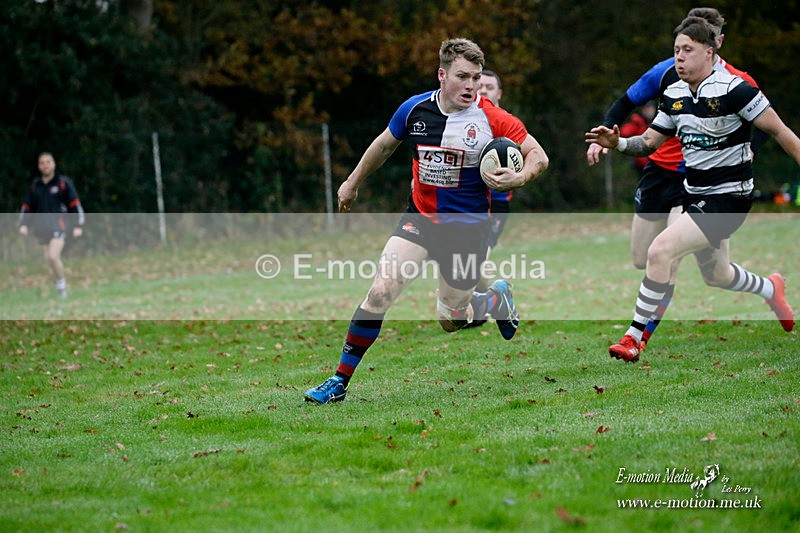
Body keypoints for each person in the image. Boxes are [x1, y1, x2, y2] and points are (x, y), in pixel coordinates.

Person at [304, 38, 549, 403]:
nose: (470, 86)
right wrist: (352, 183)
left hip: (467, 231)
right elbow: (384, 145)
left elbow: (538, 156)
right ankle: (339, 381)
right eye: (463, 77)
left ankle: (495, 301)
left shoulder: (492, 118)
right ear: (442, 75)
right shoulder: (415, 109)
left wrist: (519, 177)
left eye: (476, 78)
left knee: (452, 320)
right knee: (380, 290)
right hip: (419, 219)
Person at [585, 17, 796, 363]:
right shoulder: (675, 94)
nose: (679, 58)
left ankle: (634, 338)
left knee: (660, 251)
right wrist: (619, 142)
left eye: (688, 50)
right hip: (693, 193)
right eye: (676, 50)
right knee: (717, 274)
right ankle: (770, 288)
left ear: (710, 53)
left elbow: (781, 133)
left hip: (729, 200)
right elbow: (648, 143)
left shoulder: (736, 89)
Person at [18, 152, 85, 298]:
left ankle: (62, 286)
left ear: (53, 164)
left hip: (59, 226)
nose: (45, 165)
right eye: (42, 162)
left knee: (53, 256)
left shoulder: (62, 183)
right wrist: (24, 225)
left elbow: (75, 204)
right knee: (49, 260)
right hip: (41, 228)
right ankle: (59, 286)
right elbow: (28, 207)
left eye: (48, 162)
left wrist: (78, 225)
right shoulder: (36, 186)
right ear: (39, 166)